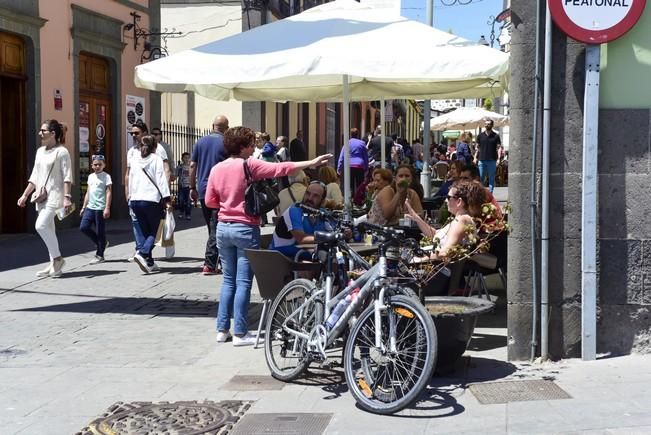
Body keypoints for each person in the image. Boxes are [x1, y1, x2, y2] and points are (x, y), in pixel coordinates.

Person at [205, 126, 332, 346]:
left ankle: (222, 329)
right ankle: (241, 333)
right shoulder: (249, 165)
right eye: (251, 144)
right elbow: (281, 168)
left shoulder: (217, 168)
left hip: (223, 227)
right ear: (243, 147)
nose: (254, 147)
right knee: (243, 281)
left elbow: (209, 202)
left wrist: (228, 205)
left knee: (228, 280)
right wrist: (311, 163)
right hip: (245, 228)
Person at [405, 180, 488, 296]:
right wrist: (416, 217)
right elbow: (435, 235)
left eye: (448, 197)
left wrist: (418, 259)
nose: (445, 200)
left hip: (435, 277)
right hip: (435, 273)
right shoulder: (461, 219)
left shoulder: (461, 221)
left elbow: (445, 252)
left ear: (459, 202)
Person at [17, 119, 72, 278]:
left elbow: (67, 177)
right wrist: (25, 195)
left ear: (53, 133)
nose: (40, 133)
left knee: (40, 226)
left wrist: (67, 197)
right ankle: (54, 266)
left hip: (55, 196)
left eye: (43, 131)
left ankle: (58, 259)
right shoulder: (40, 151)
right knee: (50, 229)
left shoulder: (62, 152)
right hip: (41, 196)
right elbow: (35, 176)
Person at [125, 120, 169, 261]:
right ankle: (143, 253)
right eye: (131, 133)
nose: (133, 135)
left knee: (144, 230)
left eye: (136, 133)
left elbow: (131, 177)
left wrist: (130, 196)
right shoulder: (153, 158)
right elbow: (161, 179)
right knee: (157, 230)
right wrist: (166, 199)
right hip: (151, 199)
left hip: (136, 199)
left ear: (144, 133)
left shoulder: (136, 159)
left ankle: (148, 262)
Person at [190, 115, 229, 275]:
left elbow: (192, 166)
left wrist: (192, 187)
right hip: (219, 190)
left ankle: (215, 259)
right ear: (226, 127)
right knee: (216, 227)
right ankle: (210, 263)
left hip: (203, 188)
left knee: (211, 226)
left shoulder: (200, 142)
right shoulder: (226, 143)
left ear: (212, 125)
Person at [269, 181, 332, 259]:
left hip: (302, 256)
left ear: (322, 201)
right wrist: (329, 237)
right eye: (308, 193)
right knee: (324, 257)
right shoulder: (294, 211)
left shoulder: (323, 214)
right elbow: (302, 239)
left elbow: (334, 231)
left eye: (315, 196)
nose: (310, 198)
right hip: (281, 259)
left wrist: (346, 233)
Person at [79, 154, 112, 264]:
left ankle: (100, 255)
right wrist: (84, 207)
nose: (97, 166)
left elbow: (108, 192)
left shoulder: (106, 176)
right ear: (92, 165)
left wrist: (107, 207)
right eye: (95, 165)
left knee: (100, 232)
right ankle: (102, 243)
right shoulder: (90, 176)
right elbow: (88, 192)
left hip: (100, 209)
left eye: (99, 164)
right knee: (83, 227)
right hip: (90, 207)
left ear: (104, 165)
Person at [336, 127, 368, 195]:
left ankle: (351, 199)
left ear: (350, 135)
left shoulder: (347, 143)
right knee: (360, 185)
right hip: (360, 165)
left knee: (350, 185)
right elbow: (365, 157)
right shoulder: (362, 143)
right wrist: (366, 168)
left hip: (349, 165)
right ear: (358, 134)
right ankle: (360, 200)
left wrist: (339, 168)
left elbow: (342, 156)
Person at [475, 119, 502, 192]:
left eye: (488, 124)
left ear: (492, 125)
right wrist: (475, 157)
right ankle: (481, 194)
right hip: (482, 159)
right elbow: (477, 147)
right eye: (486, 124)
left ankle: (490, 194)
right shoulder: (480, 136)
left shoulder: (496, 136)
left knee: (491, 178)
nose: (486, 125)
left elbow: (499, 148)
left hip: (492, 160)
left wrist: (499, 159)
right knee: (481, 178)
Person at [176, 152, 192, 220]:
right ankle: (181, 212)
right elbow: (175, 174)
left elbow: (194, 175)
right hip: (181, 186)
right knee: (181, 200)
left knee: (188, 201)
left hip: (189, 186)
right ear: (182, 159)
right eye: (185, 158)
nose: (187, 159)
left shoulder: (191, 166)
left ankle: (188, 214)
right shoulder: (180, 167)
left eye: (188, 158)